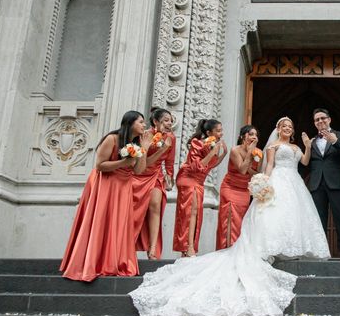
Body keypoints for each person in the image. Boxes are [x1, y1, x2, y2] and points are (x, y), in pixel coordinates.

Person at [129, 116, 330, 316]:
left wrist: (306, 146)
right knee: (273, 214)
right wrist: (264, 182)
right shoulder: (272, 147)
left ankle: (292, 248)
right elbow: (268, 167)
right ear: (278, 129)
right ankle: (272, 247)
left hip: (294, 182)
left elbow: (304, 162)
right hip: (274, 181)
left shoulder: (295, 147)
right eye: (284, 126)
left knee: (293, 216)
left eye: (290, 126)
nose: (287, 128)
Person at [60, 111, 152, 282]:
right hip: (106, 184)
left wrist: (144, 149)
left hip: (124, 186)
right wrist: (123, 163)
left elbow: (139, 170)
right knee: (101, 221)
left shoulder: (136, 144)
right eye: (141, 122)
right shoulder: (112, 139)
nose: (144, 125)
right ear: (130, 123)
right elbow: (100, 166)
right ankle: (92, 262)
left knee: (118, 223)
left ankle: (113, 262)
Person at [172, 119, 227, 257]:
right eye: (218, 130)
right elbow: (196, 166)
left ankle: (189, 248)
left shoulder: (212, 145)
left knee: (195, 213)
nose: (221, 133)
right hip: (189, 178)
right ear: (209, 132)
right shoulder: (197, 143)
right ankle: (188, 247)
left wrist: (222, 154)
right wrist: (212, 151)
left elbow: (210, 165)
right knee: (191, 213)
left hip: (199, 181)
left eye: (222, 130)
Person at [307, 108, 340, 260]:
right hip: (316, 184)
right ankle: (320, 254)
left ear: (329, 119)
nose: (320, 121)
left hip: (335, 183)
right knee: (319, 220)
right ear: (314, 123)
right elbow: (306, 163)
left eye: (323, 118)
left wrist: (336, 142)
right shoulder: (312, 141)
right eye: (317, 120)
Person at [133, 108, 175, 260]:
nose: (169, 123)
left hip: (156, 174)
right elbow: (140, 163)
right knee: (136, 211)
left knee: (155, 206)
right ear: (155, 122)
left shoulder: (171, 137)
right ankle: (129, 244)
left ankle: (153, 249)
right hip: (138, 174)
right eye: (165, 120)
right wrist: (161, 148)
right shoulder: (144, 135)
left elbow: (169, 160)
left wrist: (170, 177)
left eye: (170, 120)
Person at [215, 125, 261, 251]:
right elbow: (241, 169)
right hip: (229, 188)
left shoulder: (259, 153)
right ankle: (228, 250)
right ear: (242, 136)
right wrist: (250, 154)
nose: (254, 137)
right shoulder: (235, 150)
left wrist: (253, 157)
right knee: (229, 219)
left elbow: (256, 174)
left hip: (244, 191)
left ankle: (239, 251)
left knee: (240, 221)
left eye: (256, 135)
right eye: (251, 134)